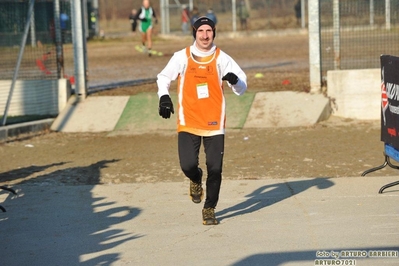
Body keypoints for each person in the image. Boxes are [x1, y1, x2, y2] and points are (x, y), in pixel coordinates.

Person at [156, 16, 247, 225]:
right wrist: (163, 97)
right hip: (188, 120)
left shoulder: (222, 58)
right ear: (194, 33)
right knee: (188, 165)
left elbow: (242, 87)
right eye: (201, 31)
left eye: (209, 31)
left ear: (214, 33)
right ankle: (195, 179)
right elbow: (163, 77)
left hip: (214, 123)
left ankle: (209, 208)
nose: (205, 35)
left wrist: (235, 81)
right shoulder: (182, 56)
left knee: (215, 169)